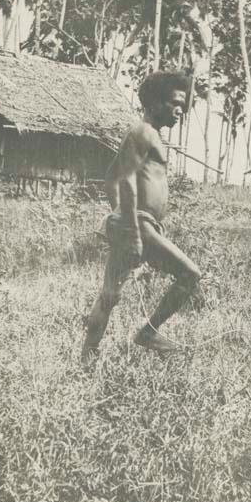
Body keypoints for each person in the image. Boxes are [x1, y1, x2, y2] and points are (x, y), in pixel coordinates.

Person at [82, 71, 201, 362]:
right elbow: (126, 181)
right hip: (140, 226)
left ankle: (86, 358)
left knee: (109, 295)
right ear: (155, 101)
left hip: (137, 224)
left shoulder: (148, 135)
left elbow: (111, 178)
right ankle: (148, 332)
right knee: (189, 274)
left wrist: (120, 217)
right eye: (174, 103)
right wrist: (134, 231)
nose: (179, 111)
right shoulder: (143, 132)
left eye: (182, 106)